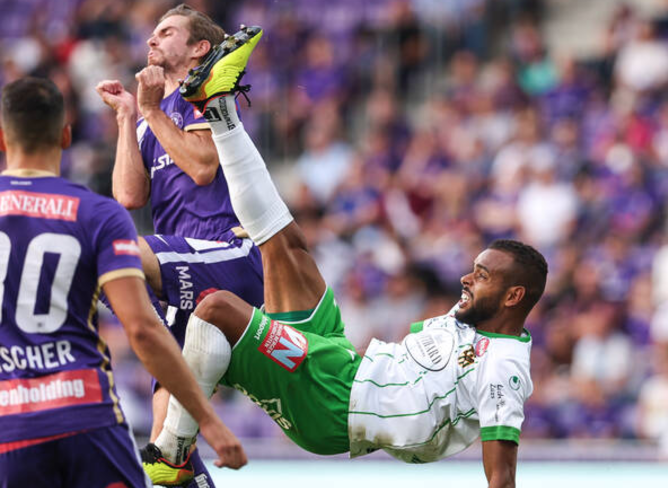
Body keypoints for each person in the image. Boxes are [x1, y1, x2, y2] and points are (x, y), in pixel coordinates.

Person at [138, 26, 545, 488]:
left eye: (482, 276)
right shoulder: (473, 319)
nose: (467, 281)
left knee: (215, 308)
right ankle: (218, 106)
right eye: (473, 270)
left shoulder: (504, 368)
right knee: (284, 243)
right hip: (341, 360)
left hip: (333, 404)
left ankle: (171, 452)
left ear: (513, 295)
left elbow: (502, 478)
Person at [0, 77, 246, 487]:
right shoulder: (97, 214)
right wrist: (209, 422)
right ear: (65, 135)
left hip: (11, 425)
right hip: (87, 417)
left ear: (3, 139)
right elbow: (143, 330)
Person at [95, 4, 264, 487]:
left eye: (166, 32)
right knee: (167, 450)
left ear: (199, 48)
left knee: (115, 253)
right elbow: (129, 196)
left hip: (227, 254)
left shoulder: (206, 95)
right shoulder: (152, 116)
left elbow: (204, 167)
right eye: (150, 33)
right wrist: (130, 117)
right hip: (180, 274)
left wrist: (149, 108)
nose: (151, 40)